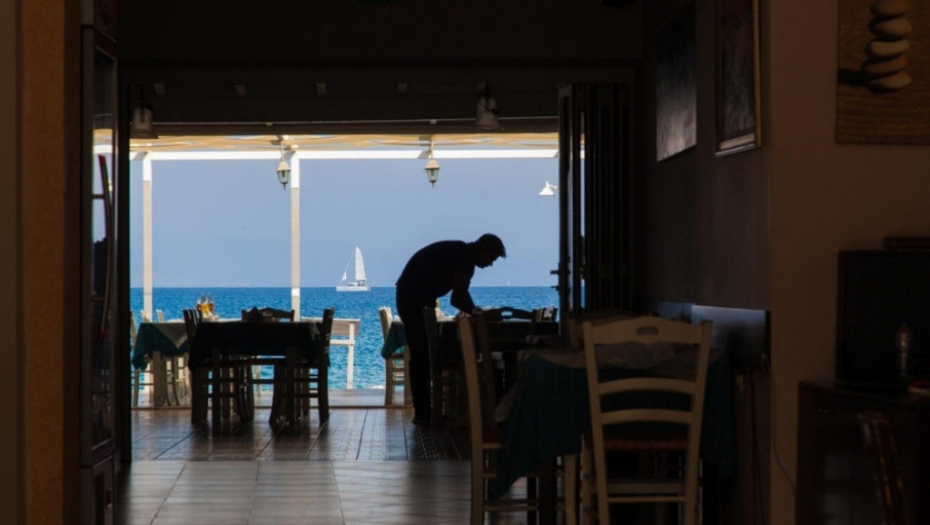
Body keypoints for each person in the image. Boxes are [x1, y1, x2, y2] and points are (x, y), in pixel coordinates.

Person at [395, 233, 506, 424]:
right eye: (491, 258)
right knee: (421, 355)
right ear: (482, 249)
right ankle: (423, 412)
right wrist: (478, 313)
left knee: (422, 355)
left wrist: (474, 311)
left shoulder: (464, 256)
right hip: (411, 298)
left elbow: (459, 296)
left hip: (413, 296)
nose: (490, 264)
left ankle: (424, 411)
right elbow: (459, 297)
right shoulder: (462, 256)